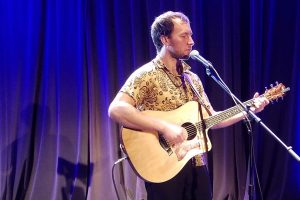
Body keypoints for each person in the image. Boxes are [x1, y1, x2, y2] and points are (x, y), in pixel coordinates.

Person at [108, 11, 269, 200]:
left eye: (191, 35)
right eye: (184, 35)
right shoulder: (146, 75)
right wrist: (164, 127)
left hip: (196, 162)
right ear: (165, 39)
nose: (191, 41)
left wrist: (247, 110)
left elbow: (212, 119)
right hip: (162, 166)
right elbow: (116, 109)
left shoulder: (192, 78)